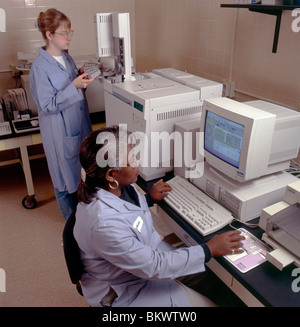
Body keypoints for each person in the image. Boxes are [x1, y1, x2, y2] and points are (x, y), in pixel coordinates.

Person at [73, 125, 245, 307]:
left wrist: (147, 199)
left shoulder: (116, 187)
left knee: (207, 276)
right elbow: (155, 266)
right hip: (127, 289)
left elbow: (126, 212)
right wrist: (208, 249)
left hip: (144, 255)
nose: (137, 162)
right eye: (131, 160)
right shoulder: (104, 224)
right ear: (111, 175)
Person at [29, 8, 94, 220]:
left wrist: (79, 75)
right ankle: (72, 229)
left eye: (70, 32)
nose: (69, 37)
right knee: (64, 180)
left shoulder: (67, 58)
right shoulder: (39, 68)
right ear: (49, 35)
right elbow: (47, 104)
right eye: (63, 33)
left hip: (79, 125)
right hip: (60, 132)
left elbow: (69, 84)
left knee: (82, 174)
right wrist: (74, 86)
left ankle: (85, 222)